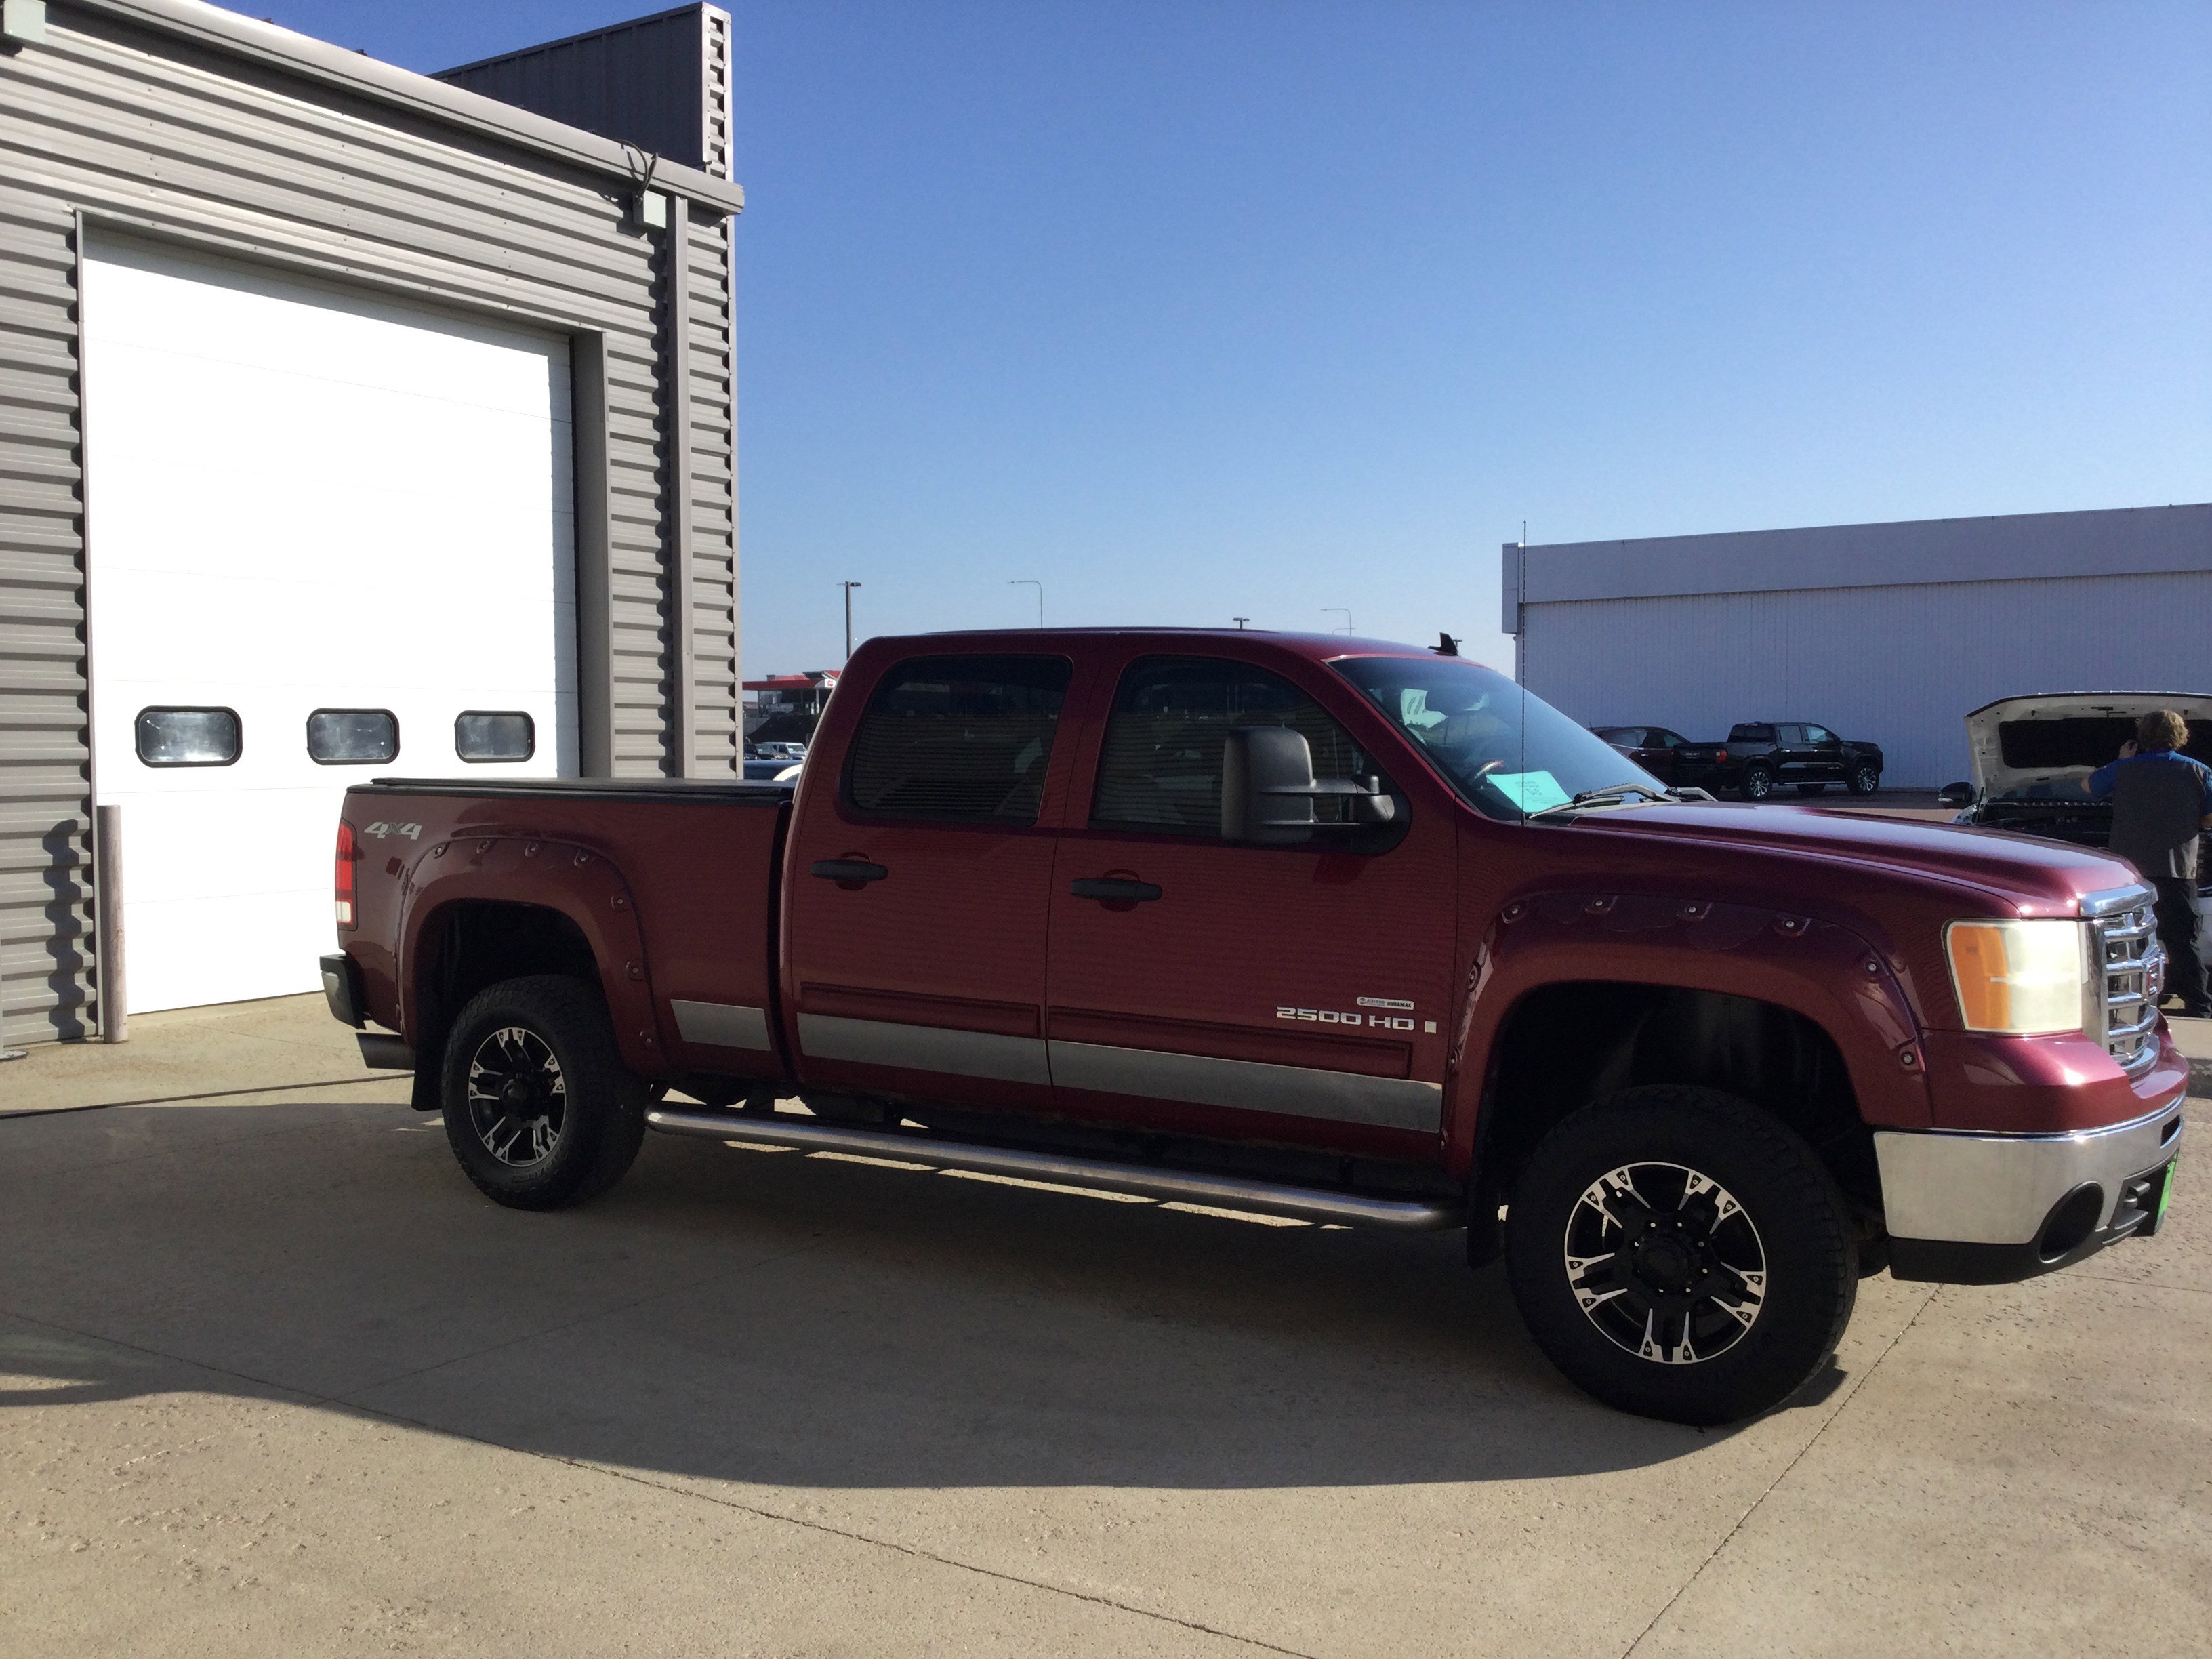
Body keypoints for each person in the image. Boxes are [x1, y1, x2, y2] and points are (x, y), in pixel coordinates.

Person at [2088, 710, 2212, 1018]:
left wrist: (2119, 759)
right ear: (2180, 736)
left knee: (2127, 942)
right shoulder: (2198, 771)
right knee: (2185, 940)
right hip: (2177, 869)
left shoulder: (2124, 769)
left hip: (2130, 875)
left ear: (2143, 736)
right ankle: (2199, 1007)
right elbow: (2210, 817)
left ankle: (2123, 1003)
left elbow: (2088, 786)